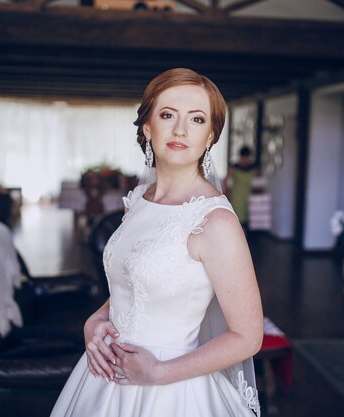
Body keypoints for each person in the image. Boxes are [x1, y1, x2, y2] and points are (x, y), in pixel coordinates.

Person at [50, 68, 264, 417]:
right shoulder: (139, 199)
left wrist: (159, 373)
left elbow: (248, 336)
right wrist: (97, 318)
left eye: (196, 119)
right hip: (105, 378)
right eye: (168, 115)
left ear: (210, 136)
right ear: (147, 127)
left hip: (173, 390)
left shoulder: (215, 223)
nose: (180, 129)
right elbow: (136, 282)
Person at [226, 146, 256, 228]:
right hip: (236, 197)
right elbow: (226, 181)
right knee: (237, 219)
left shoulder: (253, 169)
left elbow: (257, 183)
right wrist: (226, 193)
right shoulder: (234, 167)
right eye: (244, 157)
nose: (245, 160)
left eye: (247, 157)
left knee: (248, 220)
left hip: (248, 196)